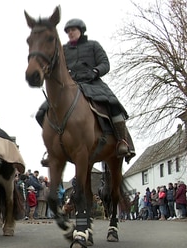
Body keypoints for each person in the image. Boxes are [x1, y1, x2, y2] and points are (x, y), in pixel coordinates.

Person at [36, 18, 135, 164]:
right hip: (70, 87)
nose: (70, 33)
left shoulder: (93, 45)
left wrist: (95, 71)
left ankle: (121, 141)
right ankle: (54, 147)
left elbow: (105, 64)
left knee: (113, 105)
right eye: (68, 31)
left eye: (73, 30)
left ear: (81, 31)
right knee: (41, 113)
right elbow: (55, 67)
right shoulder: (62, 50)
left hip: (93, 83)